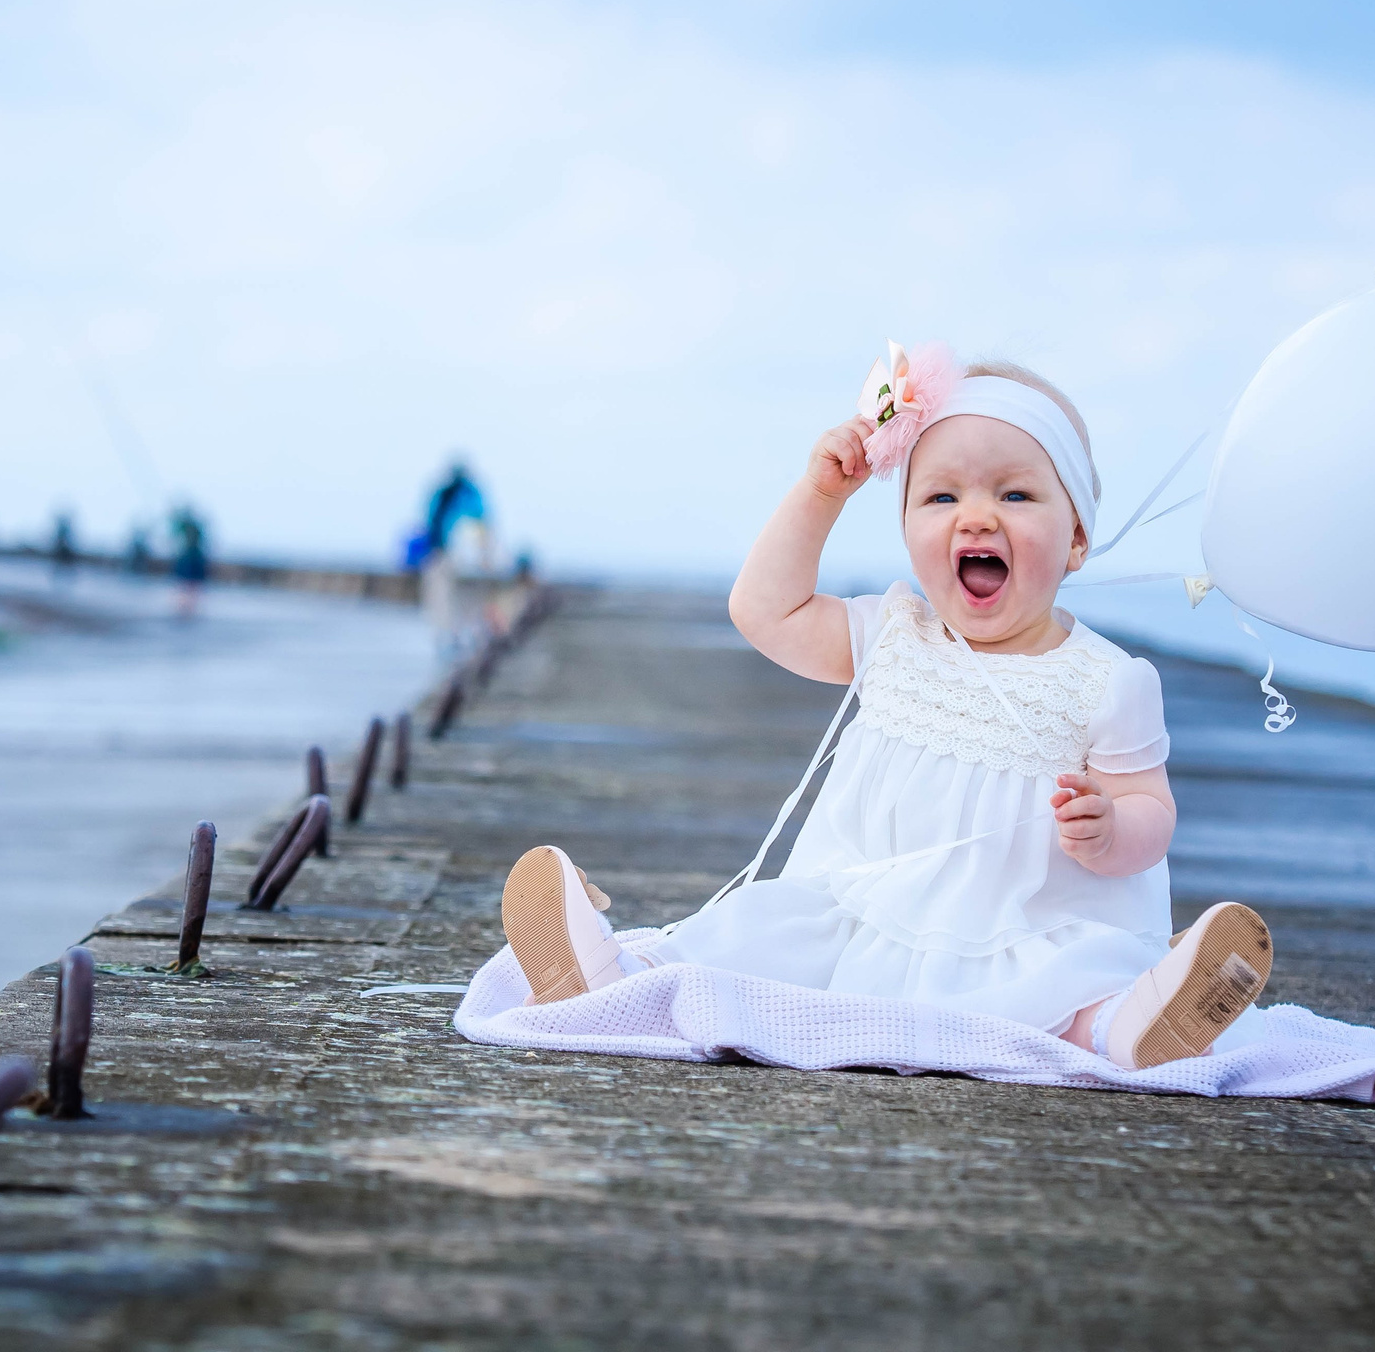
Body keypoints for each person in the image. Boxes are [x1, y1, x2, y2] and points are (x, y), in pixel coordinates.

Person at [488, 346, 1273, 1072]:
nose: (976, 515)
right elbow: (764, 609)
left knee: (1058, 987)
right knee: (750, 941)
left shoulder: (1107, 681)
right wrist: (821, 494)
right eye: (941, 495)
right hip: (857, 914)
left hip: (1019, 930)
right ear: (906, 530)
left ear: (1076, 539)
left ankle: (1127, 1028)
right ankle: (611, 973)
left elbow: (1151, 810)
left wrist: (1111, 829)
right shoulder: (895, 634)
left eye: (1016, 493)